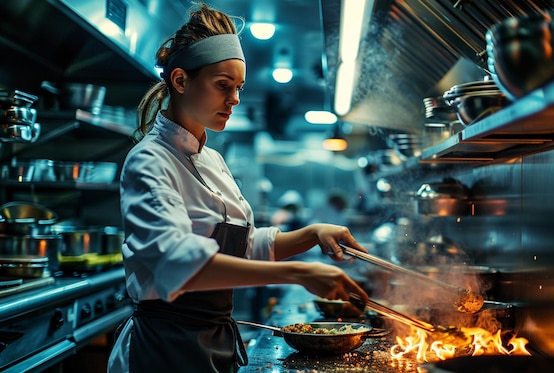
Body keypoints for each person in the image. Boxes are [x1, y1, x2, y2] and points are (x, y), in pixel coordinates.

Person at [107, 3, 369, 373]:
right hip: (166, 348)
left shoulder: (212, 160)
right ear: (180, 81)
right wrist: (298, 273)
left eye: (239, 87)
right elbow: (174, 263)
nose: (235, 100)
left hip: (213, 344)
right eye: (223, 86)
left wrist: (311, 234)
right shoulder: (149, 160)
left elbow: (245, 246)